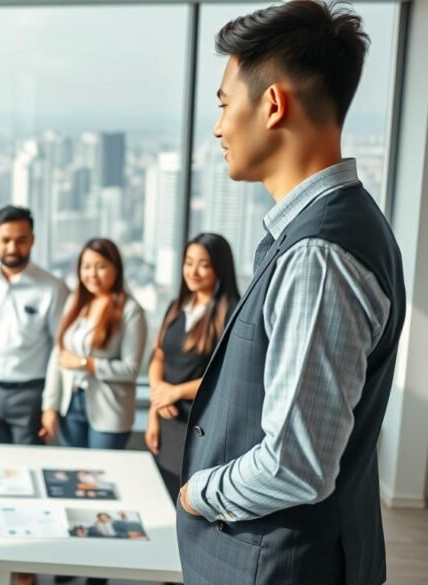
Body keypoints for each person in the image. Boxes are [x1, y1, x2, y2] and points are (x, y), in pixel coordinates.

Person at [177, 3, 405, 584]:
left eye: (226, 104)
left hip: (276, 566)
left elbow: (295, 467)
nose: (219, 127)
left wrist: (197, 494)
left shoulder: (319, 254)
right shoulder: (340, 226)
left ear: (273, 104)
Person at [0, 206, 68, 445]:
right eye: (5, 240)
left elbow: (59, 351)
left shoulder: (53, 288)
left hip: (31, 395)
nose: (12, 248)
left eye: (21, 240)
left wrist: (50, 406)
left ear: (32, 240)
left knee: (28, 469)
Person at [144, 234, 239, 500]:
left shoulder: (230, 314)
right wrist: (157, 403)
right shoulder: (177, 306)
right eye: (188, 262)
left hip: (198, 425)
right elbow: (158, 356)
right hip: (167, 420)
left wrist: (174, 393)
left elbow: (226, 377)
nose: (193, 272)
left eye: (203, 264)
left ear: (219, 267)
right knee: (163, 496)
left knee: (188, 501)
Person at [41, 239, 147, 451]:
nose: (92, 274)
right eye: (86, 267)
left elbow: (131, 369)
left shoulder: (131, 311)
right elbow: (59, 356)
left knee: (101, 478)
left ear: (116, 268)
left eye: (101, 266)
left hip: (109, 409)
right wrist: (49, 406)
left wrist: (84, 363)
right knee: (73, 473)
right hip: (70, 405)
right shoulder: (75, 302)